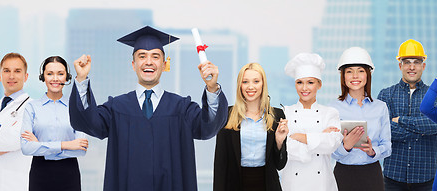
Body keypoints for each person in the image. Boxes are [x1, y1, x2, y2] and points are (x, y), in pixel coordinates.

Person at [68, 26, 229, 191]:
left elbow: (209, 126)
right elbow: (88, 121)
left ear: (165, 64)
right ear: (133, 64)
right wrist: (81, 79)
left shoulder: (182, 108)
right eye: (142, 56)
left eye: (155, 56)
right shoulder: (117, 108)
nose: (149, 62)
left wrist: (212, 87)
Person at [378, 39, 437, 191]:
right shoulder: (386, 95)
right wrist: (421, 130)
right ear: (400, 65)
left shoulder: (434, 95)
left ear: (424, 65)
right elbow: (384, 130)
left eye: (417, 62)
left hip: (426, 177)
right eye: (407, 62)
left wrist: (400, 120)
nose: (412, 67)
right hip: (393, 177)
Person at [213, 63, 288, 191]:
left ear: (263, 85)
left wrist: (279, 141)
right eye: (245, 82)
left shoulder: (277, 116)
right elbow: (220, 164)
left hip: (267, 185)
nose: (251, 86)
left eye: (256, 81)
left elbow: (280, 164)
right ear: (240, 86)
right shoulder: (227, 115)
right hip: (235, 185)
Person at [20, 56, 88, 191]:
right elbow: (26, 148)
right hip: (40, 174)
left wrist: (40, 146)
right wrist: (66, 145)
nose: (55, 78)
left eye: (60, 74)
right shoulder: (32, 107)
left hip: (69, 174)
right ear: (43, 77)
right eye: (50, 74)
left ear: (67, 77)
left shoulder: (75, 107)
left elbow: (81, 149)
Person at [277, 53, 344, 191]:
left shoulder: (330, 113)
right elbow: (285, 148)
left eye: (310, 82)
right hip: (292, 185)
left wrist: (299, 137)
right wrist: (320, 137)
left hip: (322, 185)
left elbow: (332, 144)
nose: (304, 88)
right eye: (300, 82)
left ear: (319, 85)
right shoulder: (285, 112)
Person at [328, 47, 391, 191]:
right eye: (349, 71)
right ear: (343, 76)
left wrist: (373, 151)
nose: (355, 76)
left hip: (372, 174)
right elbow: (330, 149)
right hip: (343, 174)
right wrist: (345, 147)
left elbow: (387, 146)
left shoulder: (380, 107)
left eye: (360, 71)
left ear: (368, 75)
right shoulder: (333, 109)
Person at [0, 53, 33, 191]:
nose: (11, 76)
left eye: (17, 71)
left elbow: (13, 139)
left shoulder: (32, 109)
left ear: (25, 76)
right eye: (7, 71)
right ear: (0, 75)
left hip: (16, 185)